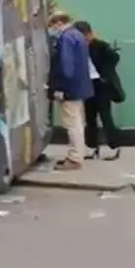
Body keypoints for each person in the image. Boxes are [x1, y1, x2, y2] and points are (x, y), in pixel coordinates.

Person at [47, 12, 93, 170]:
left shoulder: (65, 38)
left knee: (71, 123)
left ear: (59, 23)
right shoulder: (78, 36)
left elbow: (66, 67)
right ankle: (78, 153)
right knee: (78, 121)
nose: (52, 29)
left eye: (52, 25)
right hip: (80, 86)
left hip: (70, 88)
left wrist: (60, 88)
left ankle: (74, 158)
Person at [74, 21, 124, 161]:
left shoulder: (100, 45)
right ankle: (93, 148)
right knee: (90, 119)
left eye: (84, 36)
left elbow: (115, 58)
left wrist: (105, 75)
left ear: (89, 34)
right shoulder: (79, 48)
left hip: (101, 85)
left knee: (105, 117)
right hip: (87, 84)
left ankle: (114, 147)